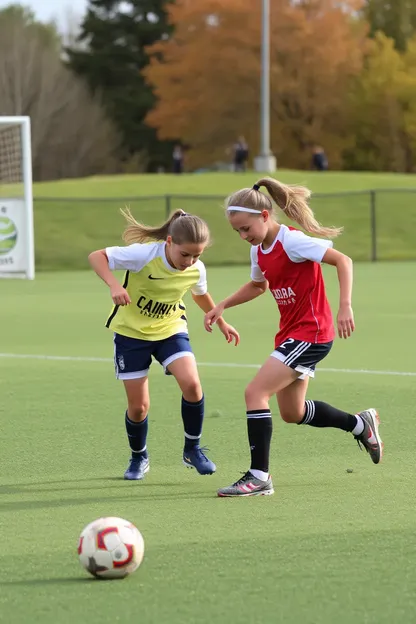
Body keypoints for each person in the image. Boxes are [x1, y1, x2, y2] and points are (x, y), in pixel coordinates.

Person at [204, 177, 383, 497]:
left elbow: (343, 260)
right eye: (237, 231)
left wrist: (345, 306)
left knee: (255, 392)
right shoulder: (259, 252)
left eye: (246, 228)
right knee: (293, 412)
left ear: (264, 216)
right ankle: (360, 424)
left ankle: (259, 477)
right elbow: (258, 286)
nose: (244, 236)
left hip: (311, 333)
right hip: (291, 334)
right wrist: (222, 305)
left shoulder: (292, 241)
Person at [89, 209, 239, 481]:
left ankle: (192, 449)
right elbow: (97, 256)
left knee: (192, 385)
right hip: (131, 335)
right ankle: (139, 457)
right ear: (169, 242)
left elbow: (200, 294)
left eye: (197, 255)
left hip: (171, 330)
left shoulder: (196, 268)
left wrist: (221, 321)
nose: (191, 261)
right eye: (185, 254)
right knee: (139, 407)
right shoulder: (144, 255)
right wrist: (114, 285)